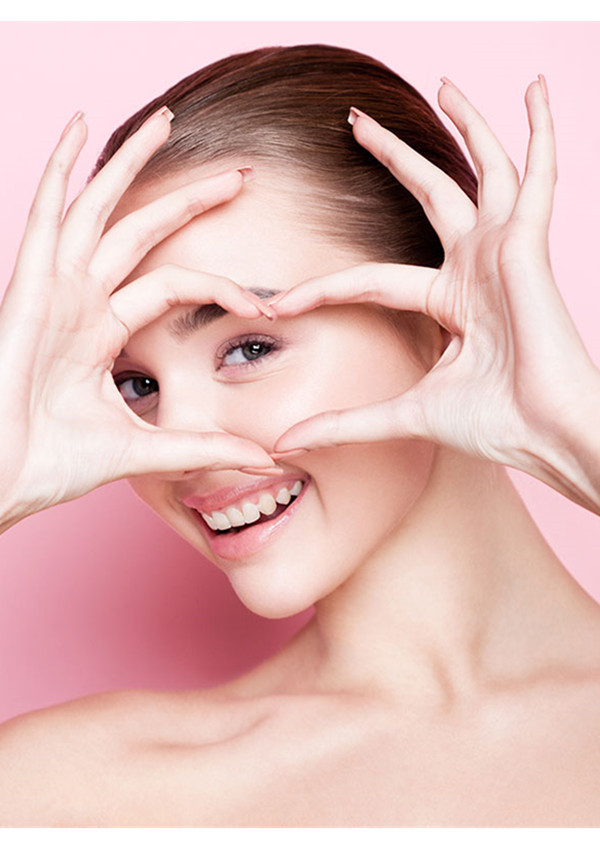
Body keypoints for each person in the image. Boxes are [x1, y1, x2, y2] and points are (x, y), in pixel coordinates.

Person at [0, 44, 599, 827]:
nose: (179, 442)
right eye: (135, 385)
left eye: (249, 348)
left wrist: (582, 437)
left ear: (446, 321)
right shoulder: (67, 792)